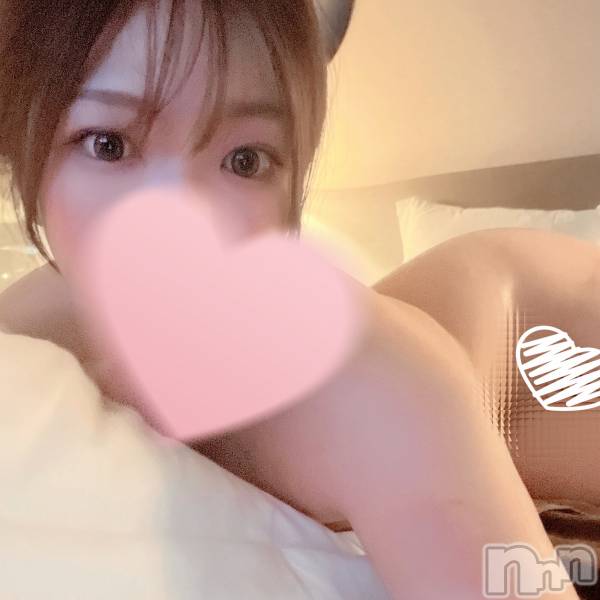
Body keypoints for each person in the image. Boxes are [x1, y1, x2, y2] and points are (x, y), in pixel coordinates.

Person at [0, 1, 583, 598]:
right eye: (109, 145)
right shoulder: (24, 352)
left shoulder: (369, 380)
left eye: (244, 160)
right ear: (23, 149)